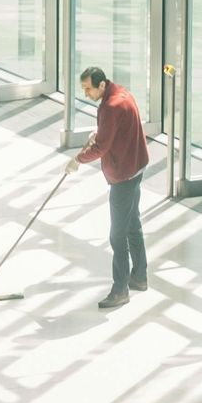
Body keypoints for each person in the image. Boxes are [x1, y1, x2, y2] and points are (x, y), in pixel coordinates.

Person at [70, 65, 150, 310]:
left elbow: (101, 148)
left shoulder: (110, 107)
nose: (86, 94)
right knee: (133, 224)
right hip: (137, 166)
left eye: (88, 89)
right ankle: (140, 276)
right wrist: (100, 132)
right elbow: (112, 133)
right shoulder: (121, 94)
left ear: (101, 85)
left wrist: (77, 160)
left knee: (117, 234)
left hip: (123, 176)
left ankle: (120, 289)